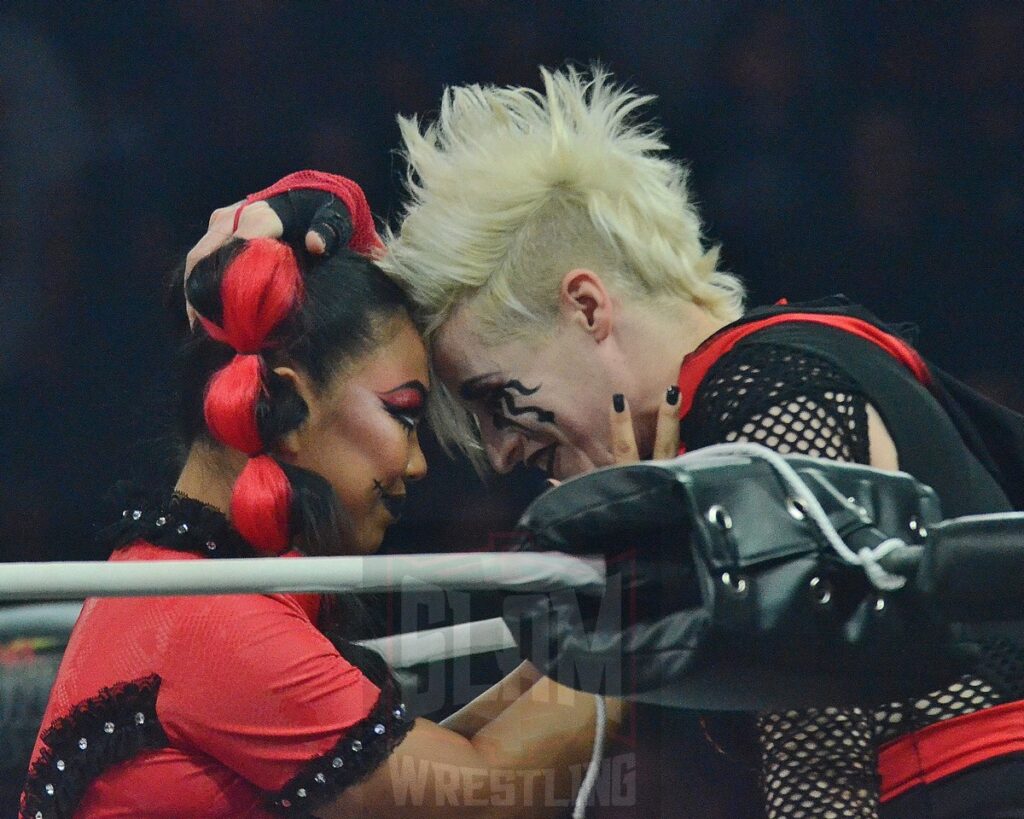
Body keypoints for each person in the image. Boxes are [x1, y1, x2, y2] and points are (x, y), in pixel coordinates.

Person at [193, 67, 1024, 818]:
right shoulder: (753, 399)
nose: (502, 452)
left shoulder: (761, 387)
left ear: (588, 306)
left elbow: (821, 771)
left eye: (494, 400)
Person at [22, 229, 631, 817]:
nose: (418, 466)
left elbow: (430, 765)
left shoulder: (172, 584)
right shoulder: (212, 619)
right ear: (286, 406)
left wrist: (592, 635)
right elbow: (473, 796)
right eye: (404, 414)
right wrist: (647, 610)